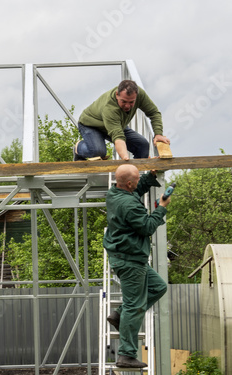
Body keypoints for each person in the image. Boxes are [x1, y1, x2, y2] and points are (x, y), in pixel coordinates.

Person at [103, 164, 170, 368]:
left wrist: (148, 179)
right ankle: (126, 355)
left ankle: (120, 314)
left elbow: (133, 193)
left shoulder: (114, 194)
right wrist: (162, 208)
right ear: (130, 183)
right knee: (135, 306)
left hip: (129, 256)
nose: (138, 183)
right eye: (138, 180)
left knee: (159, 287)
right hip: (130, 260)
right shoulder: (131, 206)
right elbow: (148, 227)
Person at [74, 80, 170, 161]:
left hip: (116, 125)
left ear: (136, 96)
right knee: (98, 152)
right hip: (91, 125)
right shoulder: (109, 107)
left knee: (142, 145)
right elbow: (118, 137)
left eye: (131, 102)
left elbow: (154, 113)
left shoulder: (140, 95)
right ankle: (79, 147)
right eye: (123, 101)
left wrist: (158, 134)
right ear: (117, 95)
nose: (127, 106)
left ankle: (137, 176)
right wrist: (125, 160)